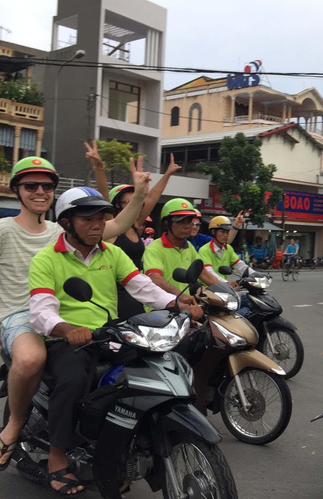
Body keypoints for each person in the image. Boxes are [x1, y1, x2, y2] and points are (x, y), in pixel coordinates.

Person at [27, 186, 199, 496]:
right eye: (87, 219)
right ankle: (57, 456)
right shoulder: (46, 259)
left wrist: (176, 304)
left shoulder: (113, 253)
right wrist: (67, 329)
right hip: (67, 340)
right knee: (72, 380)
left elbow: (143, 287)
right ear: (66, 222)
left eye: (102, 218)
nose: (97, 225)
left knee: (153, 366)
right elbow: (41, 310)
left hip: (109, 334)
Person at [0, 155, 149, 475]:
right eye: (31, 185)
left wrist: (139, 193)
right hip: (18, 314)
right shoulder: (4, 229)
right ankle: (14, 423)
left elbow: (119, 225)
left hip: (63, 311)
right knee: (30, 359)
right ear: (16, 190)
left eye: (47, 185)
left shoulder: (62, 228)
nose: (40, 191)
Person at [104, 154, 182, 318]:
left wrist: (167, 173)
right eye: (129, 202)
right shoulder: (110, 225)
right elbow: (104, 195)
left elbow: (152, 197)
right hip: (114, 292)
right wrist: (99, 168)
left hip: (137, 288)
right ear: (115, 205)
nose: (135, 205)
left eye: (136, 202)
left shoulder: (134, 223)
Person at [143, 198, 231, 298]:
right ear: (167, 223)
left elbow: (203, 274)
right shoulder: (155, 248)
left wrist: (227, 290)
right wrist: (180, 296)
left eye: (189, 221)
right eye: (180, 221)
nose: (187, 226)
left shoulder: (189, 247)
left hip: (185, 306)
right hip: (159, 308)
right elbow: (155, 278)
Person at [197, 215, 255, 287]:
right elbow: (209, 272)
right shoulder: (204, 250)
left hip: (224, 289)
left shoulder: (228, 248)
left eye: (227, 232)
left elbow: (241, 266)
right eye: (222, 232)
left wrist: (257, 275)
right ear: (213, 232)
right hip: (208, 290)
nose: (225, 235)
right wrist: (227, 283)